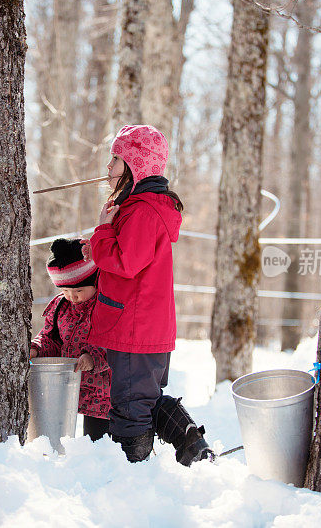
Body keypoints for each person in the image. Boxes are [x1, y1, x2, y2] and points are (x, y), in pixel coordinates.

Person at [85, 124, 213, 465]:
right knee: (144, 398)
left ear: (133, 167)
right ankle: (189, 440)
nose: (108, 169)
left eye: (115, 160)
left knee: (130, 406)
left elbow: (125, 262)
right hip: (143, 326)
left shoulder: (143, 210)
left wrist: (101, 230)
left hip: (134, 327)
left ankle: (134, 476)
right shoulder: (141, 207)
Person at [30, 238, 111, 441]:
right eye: (65, 291)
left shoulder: (105, 306)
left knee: (95, 442)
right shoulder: (60, 306)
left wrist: (93, 357)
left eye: (78, 291)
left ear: (94, 282)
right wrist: (37, 349)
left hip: (100, 391)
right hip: (67, 387)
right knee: (63, 439)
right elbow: (51, 337)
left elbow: (112, 339)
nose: (72, 297)